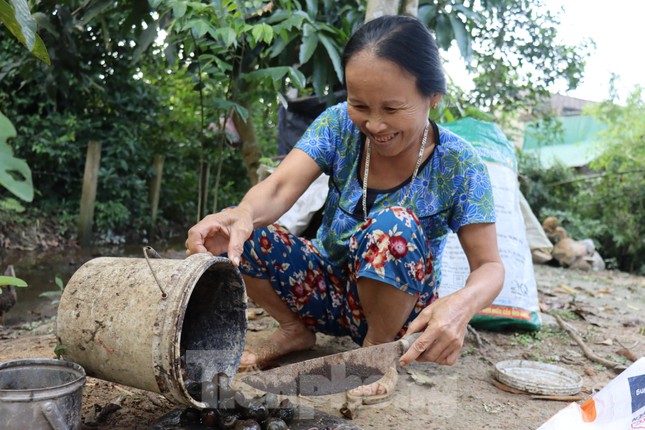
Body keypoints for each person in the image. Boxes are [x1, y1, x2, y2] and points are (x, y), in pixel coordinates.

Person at [186, 15, 504, 404]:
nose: (374, 123)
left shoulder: (460, 163)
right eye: (360, 104)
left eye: (392, 108)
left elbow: (490, 266)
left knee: (394, 227)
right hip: (327, 287)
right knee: (241, 236)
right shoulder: (338, 124)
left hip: (401, 309)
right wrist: (244, 212)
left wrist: (463, 304)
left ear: (432, 97)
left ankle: (376, 350)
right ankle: (294, 328)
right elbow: (282, 186)